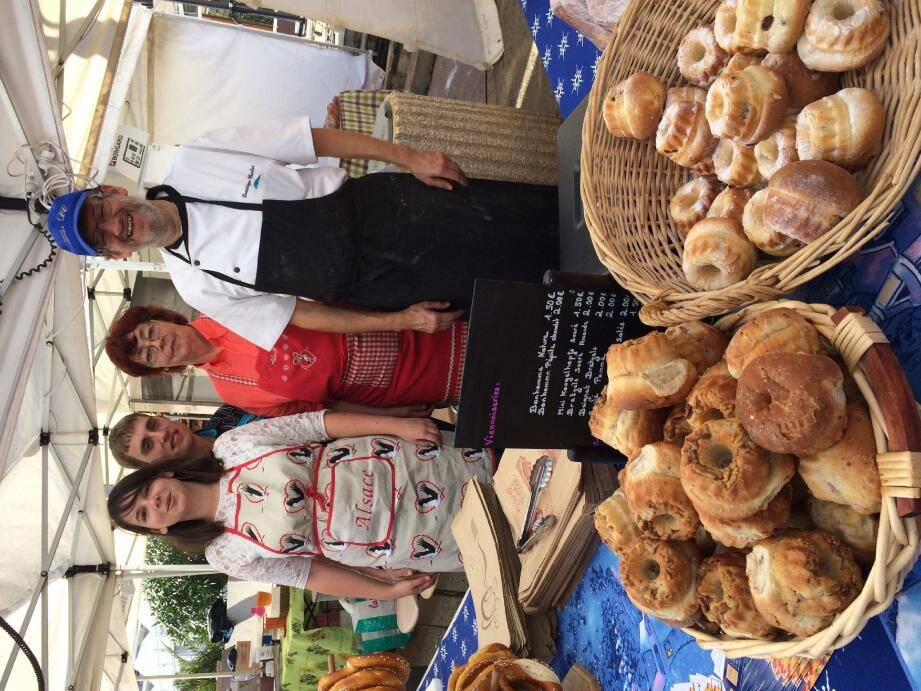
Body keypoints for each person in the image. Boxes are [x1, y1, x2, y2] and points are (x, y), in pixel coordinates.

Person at [48, 119, 559, 350]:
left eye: (104, 211)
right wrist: (401, 320)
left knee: (525, 217)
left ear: (112, 190)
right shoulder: (195, 287)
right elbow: (303, 314)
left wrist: (411, 158)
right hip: (383, 283)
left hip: (390, 208)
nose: (117, 225)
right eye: (104, 238)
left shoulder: (196, 156)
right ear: (114, 256)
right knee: (525, 291)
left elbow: (308, 141)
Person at [107, 410, 494, 599]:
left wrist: (397, 426)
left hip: (407, 464)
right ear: (157, 528)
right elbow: (308, 574)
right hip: (406, 538)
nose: (154, 500)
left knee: (515, 468)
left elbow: (316, 425)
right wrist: (383, 592)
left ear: (163, 474)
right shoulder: (223, 555)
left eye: (146, 490)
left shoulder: (231, 446)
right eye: (144, 512)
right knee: (502, 539)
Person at [104, 304, 467, 417]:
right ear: (162, 369)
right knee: (489, 386)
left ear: (162, 318)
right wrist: (390, 415)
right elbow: (318, 411)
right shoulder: (230, 392)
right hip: (388, 388)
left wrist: (403, 318)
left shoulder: (226, 307)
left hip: (394, 327)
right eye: (149, 355)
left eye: (149, 332)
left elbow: (311, 305)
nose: (159, 343)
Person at [108, 405, 264, 470]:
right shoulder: (210, 488)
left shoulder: (225, 413)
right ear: (153, 466)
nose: (161, 435)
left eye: (153, 425)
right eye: (148, 445)